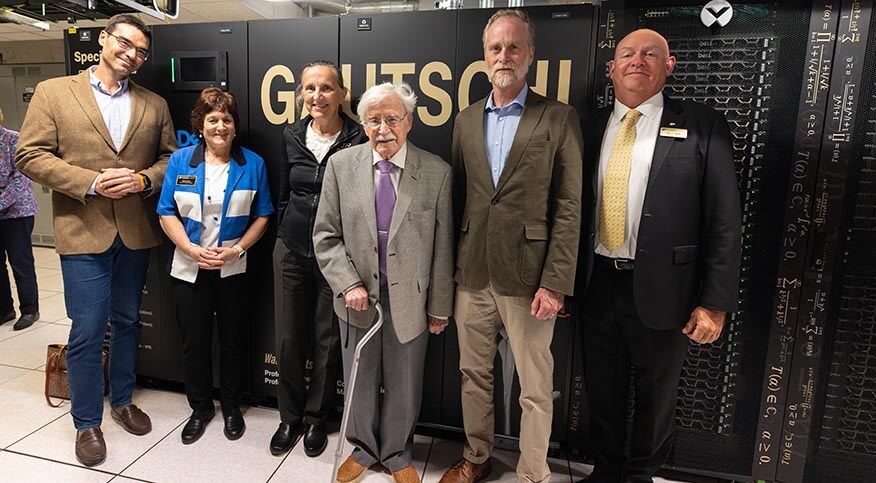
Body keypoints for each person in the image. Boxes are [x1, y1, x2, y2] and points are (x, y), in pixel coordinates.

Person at [574, 29, 741, 483]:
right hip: (597, 282)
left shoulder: (703, 124)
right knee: (602, 390)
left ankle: (641, 475)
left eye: (650, 54)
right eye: (626, 53)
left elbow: (724, 220)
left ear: (669, 66)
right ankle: (605, 471)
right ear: (611, 68)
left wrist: (716, 302)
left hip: (668, 288)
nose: (636, 61)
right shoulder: (588, 127)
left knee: (657, 394)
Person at [15, 14, 176, 467]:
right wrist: (89, 182)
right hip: (82, 229)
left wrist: (144, 180)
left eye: (141, 51)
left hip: (135, 230)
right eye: (125, 43)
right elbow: (29, 154)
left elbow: (170, 158)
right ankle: (86, 422)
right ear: (103, 40)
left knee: (127, 321)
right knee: (87, 330)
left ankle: (122, 400)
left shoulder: (154, 103)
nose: (132, 54)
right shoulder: (54, 92)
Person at [441, 9, 583, 483]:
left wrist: (556, 282)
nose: (504, 56)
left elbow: (569, 205)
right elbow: (457, 200)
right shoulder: (463, 121)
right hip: (472, 273)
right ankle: (477, 457)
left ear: (531, 54)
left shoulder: (558, 118)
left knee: (535, 388)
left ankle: (532, 474)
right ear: (485, 57)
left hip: (531, 280)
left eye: (513, 47)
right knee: (472, 376)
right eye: (496, 48)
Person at [313, 82, 453, 483]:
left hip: (411, 300)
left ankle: (396, 452)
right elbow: (325, 235)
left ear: (409, 122)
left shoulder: (437, 172)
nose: (383, 128)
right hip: (357, 298)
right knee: (359, 377)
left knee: (405, 382)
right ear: (363, 123)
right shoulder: (342, 166)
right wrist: (347, 284)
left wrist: (439, 305)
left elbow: (443, 247)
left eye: (392, 119)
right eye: (373, 120)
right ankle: (362, 446)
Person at [156, 88, 273, 445]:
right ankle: (201, 408)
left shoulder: (252, 164)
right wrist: (190, 249)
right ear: (200, 126)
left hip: (232, 269)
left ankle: (232, 406)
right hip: (190, 268)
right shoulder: (180, 162)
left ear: (235, 126)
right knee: (195, 343)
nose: (220, 126)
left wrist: (237, 249)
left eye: (226, 120)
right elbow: (165, 212)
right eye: (212, 120)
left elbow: (264, 214)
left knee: (233, 342)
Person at [271, 60, 368, 458]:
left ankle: (315, 420)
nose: (317, 96)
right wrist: (282, 235)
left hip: (336, 257)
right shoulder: (291, 135)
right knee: (290, 338)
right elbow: (283, 193)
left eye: (326, 88)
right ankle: (289, 418)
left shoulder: (359, 137)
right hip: (292, 252)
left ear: (342, 94)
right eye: (309, 88)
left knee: (328, 341)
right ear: (301, 94)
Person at [0, 106, 39, 331]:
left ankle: (30, 310)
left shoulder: (14, 140)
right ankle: (5, 309)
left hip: (17, 212)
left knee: (21, 263)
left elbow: (21, 178)